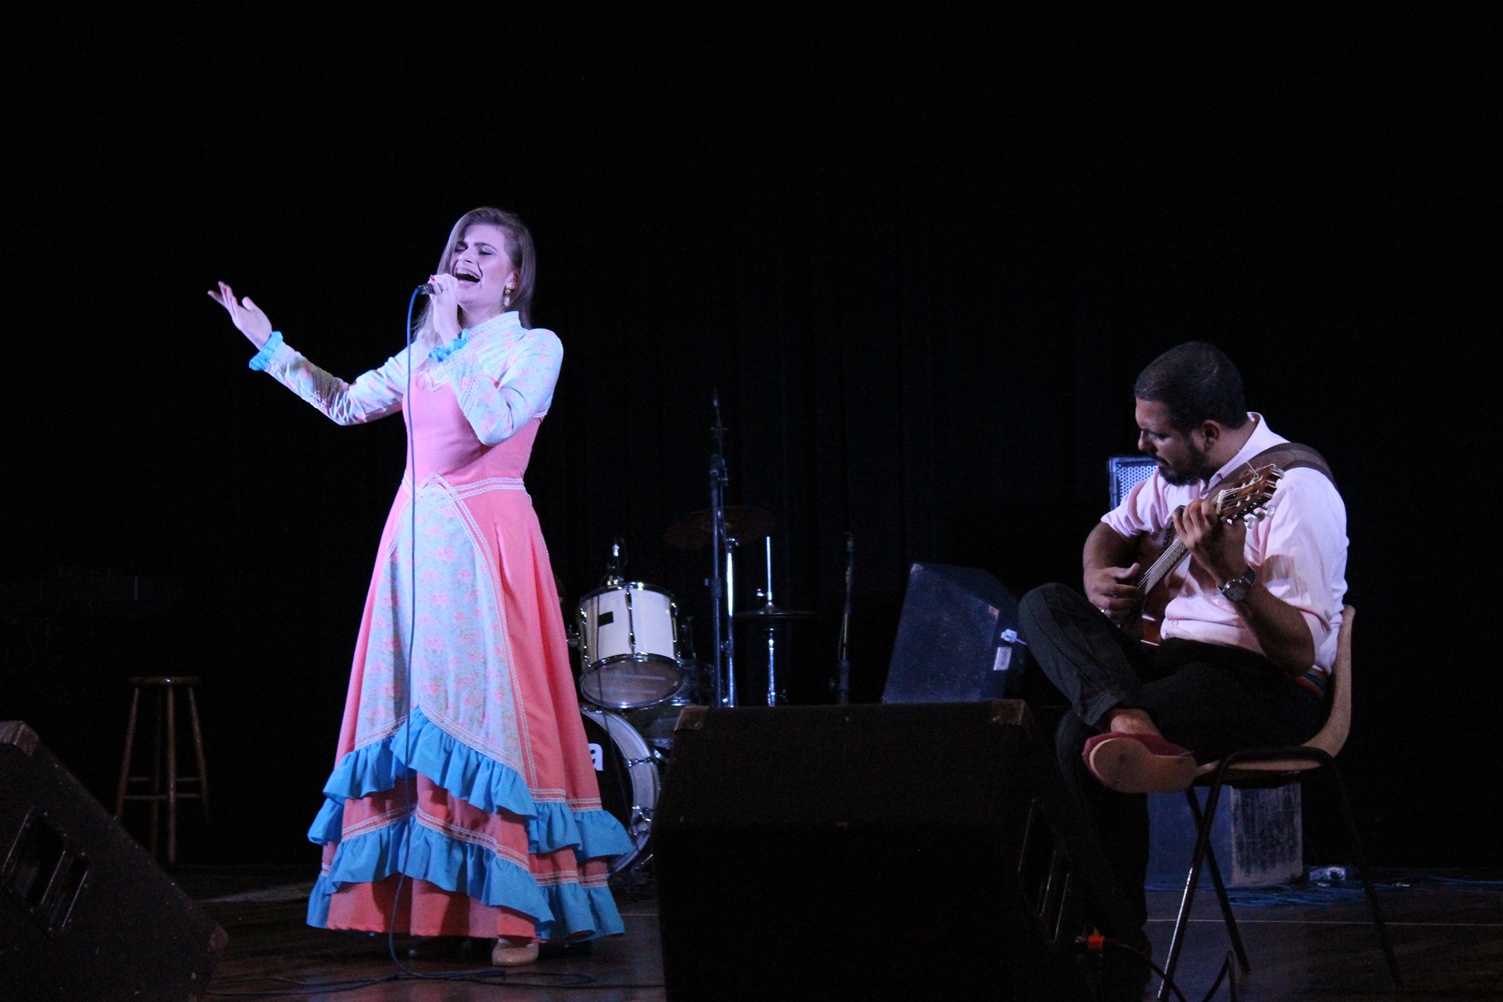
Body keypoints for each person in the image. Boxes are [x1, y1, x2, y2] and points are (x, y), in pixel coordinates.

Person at [209, 207, 630, 966]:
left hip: (483, 540)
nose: (467, 255)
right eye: (460, 245)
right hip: (415, 543)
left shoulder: (534, 346)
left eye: (485, 250)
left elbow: (497, 422)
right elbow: (343, 404)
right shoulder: (425, 354)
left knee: (494, 711)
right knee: (419, 710)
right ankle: (437, 908)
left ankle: (515, 911)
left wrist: (445, 341)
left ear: (513, 277)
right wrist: (268, 346)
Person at [1018, 341, 1346, 937]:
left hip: (1269, 686)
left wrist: (1231, 574)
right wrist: (1097, 575)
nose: (1143, 447)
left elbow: (1299, 653)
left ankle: (1116, 940)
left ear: (1208, 431)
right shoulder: (1175, 478)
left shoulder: (1297, 491)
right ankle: (1127, 721)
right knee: (1044, 602)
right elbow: (1107, 531)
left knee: (1075, 735)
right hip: (1175, 663)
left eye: (1158, 435)